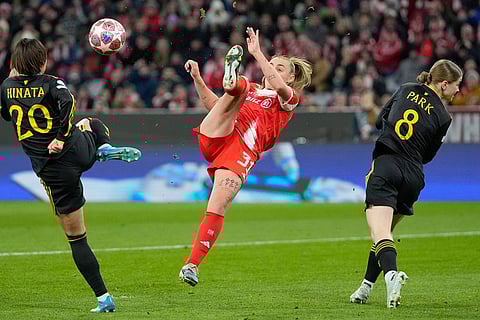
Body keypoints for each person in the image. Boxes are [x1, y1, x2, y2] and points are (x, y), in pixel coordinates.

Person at [0, 38, 142, 313]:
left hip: (54, 169)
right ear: (43, 62)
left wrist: (56, 139)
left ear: (15, 64)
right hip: (78, 150)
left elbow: (7, 116)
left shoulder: (6, 88)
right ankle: (103, 148)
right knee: (91, 122)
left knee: (77, 238)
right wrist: (63, 136)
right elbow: (69, 102)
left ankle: (104, 298)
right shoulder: (53, 82)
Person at [178, 27, 312, 286]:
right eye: (271, 65)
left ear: (292, 77)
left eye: (279, 68)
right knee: (238, 92)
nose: (271, 69)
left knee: (216, 207)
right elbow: (216, 108)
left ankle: (191, 265)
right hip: (218, 134)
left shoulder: (289, 100)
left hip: (241, 152)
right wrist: (197, 78)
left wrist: (258, 53)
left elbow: (277, 85)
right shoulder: (251, 90)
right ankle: (232, 82)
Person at [349, 59, 463, 308]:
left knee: (379, 233)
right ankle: (365, 288)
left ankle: (392, 275)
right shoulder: (444, 117)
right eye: (457, 85)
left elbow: (380, 121)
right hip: (413, 176)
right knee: (385, 234)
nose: (457, 91)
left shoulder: (406, 89)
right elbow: (429, 156)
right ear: (444, 84)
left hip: (387, 164)